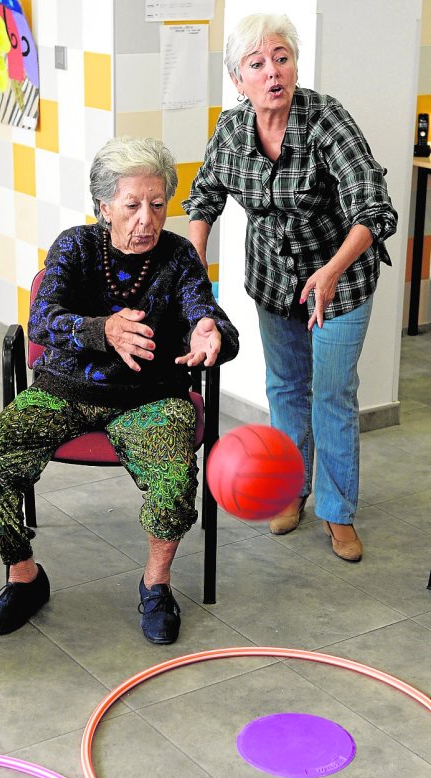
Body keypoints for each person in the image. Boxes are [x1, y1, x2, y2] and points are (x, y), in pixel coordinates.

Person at [0, 136, 239, 644]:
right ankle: (24, 576)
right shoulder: (75, 245)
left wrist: (210, 330)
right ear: (104, 206)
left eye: (157, 204)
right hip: (65, 389)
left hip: (151, 398)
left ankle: (156, 586)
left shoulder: (178, 256)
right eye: (132, 205)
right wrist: (103, 330)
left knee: (175, 481)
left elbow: (208, 313)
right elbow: (42, 320)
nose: (146, 219)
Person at [183, 13, 397, 562]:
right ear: (239, 80)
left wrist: (331, 270)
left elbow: (375, 206)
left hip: (340, 282)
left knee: (331, 392)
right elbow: (204, 195)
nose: (272, 72)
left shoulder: (325, 120)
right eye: (257, 64)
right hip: (274, 282)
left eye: (281, 58)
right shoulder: (233, 132)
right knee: (284, 387)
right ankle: (291, 490)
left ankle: (337, 512)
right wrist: (195, 261)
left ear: (295, 65)